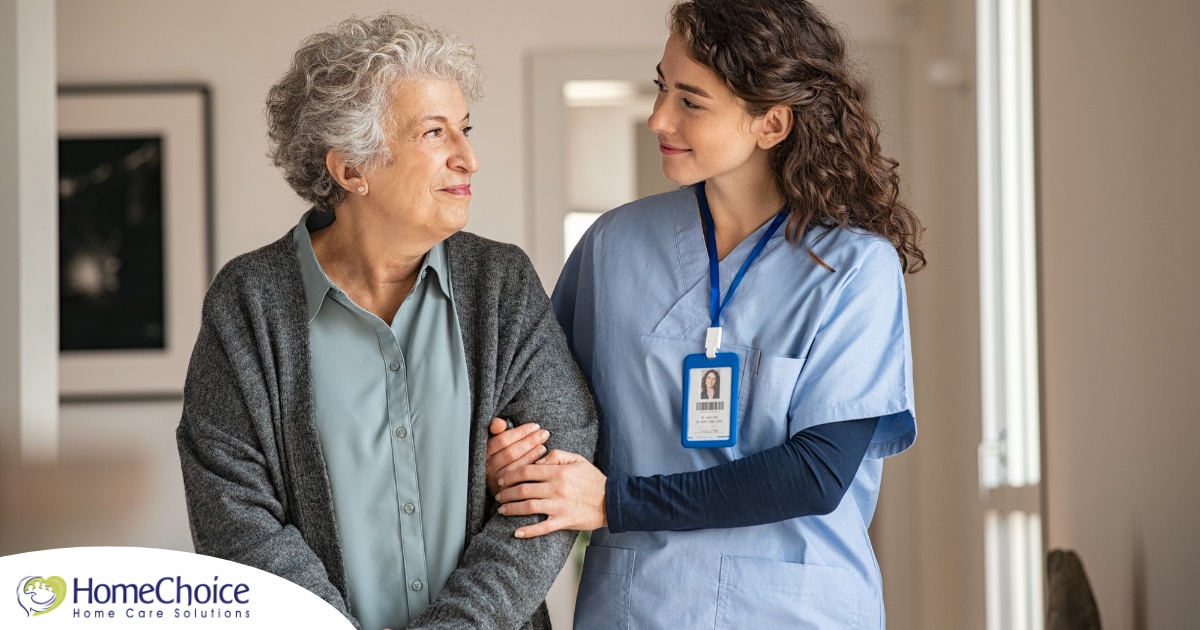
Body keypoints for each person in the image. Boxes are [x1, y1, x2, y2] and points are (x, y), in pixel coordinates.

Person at [485, 0, 924, 627]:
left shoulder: (854, 269)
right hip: (638, 607)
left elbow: (817, 473)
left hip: (794, 612)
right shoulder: (614, 246)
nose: (658, 116)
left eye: (691, 101)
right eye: (662, 88)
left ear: (771, 124)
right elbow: (547, 413)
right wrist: (518, 457)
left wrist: (616, 501)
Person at [175, 14, 597, 630]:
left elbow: (556, 476)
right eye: (434, 133)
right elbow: (232, 512)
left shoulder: (500, 283)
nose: (469, 158)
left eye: (465, 129)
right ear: (351, 169)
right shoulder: (249, 302)